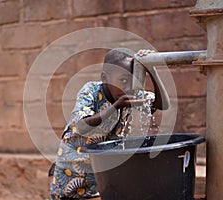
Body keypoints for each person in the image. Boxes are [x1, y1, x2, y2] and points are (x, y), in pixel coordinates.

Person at [49, 48, 170, 199]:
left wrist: (152, 70)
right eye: (123, 81)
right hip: (71, 172)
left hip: (101, 173)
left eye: (133, 81)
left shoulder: (129, 94)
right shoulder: (91, 91)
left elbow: (163, 104)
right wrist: (115, 107)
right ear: (105, 78)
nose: (128, 88)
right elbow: (81, 125)